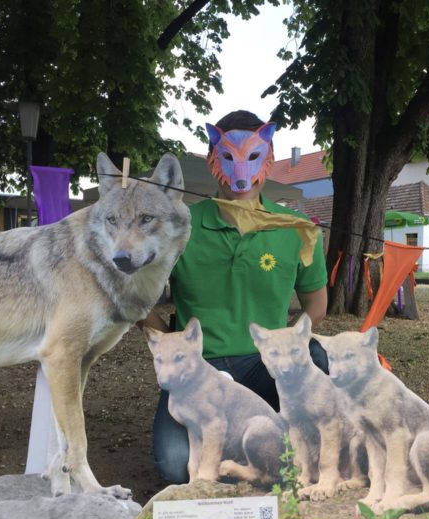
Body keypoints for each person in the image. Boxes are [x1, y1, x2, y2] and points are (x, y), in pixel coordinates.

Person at [140, 110, 329, 484]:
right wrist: (167, 342)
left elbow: (316, 304)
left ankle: (293, 446)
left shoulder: (297, 230)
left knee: (319, 357)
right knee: (177, 467)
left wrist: (288, 342)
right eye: (229, 155)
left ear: (269, 156)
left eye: (254, 154)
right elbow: (138, 300)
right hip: (200, 369)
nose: (241, 168)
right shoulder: (179, 229)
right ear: (214, 158)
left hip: (267, 365)